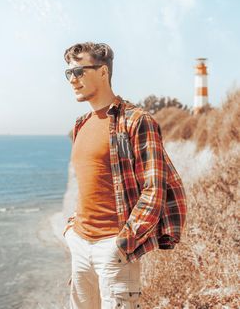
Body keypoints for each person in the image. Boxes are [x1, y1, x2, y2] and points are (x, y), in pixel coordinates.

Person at [62, 42, 187, 309]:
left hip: (113, 250)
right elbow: (90, 184)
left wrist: (122, 244)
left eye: (79, 71)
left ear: (103, 72)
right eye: (68, 73)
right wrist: (71, 230)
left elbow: (155, 187)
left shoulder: (136, 120)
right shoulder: (80, 125)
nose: (73, 79)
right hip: (80, 245)